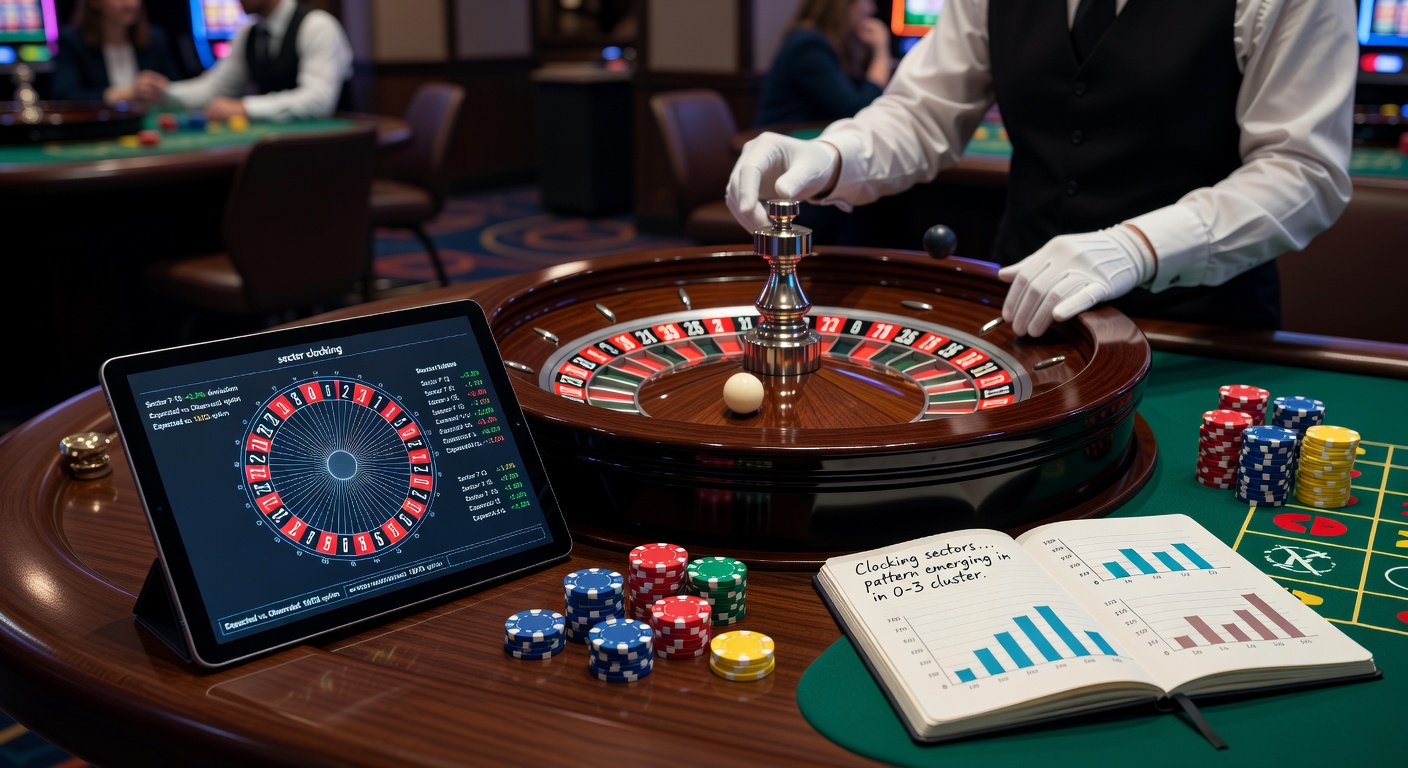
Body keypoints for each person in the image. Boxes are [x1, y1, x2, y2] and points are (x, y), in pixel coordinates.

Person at [727, 0, 1356, 337]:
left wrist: (1138, 246)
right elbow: (921, 115)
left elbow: (1302, 170)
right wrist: (831, 156)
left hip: (1196, 330)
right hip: (1026, 318)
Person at [140, 0, 353, 122]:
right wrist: (165, 92)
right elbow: (214, 89)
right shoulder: (248, 34)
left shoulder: (318, 26)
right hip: (283, 152)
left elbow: (318, 102)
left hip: (332, 154)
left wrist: (244, 108)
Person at [753, 0, 893, 128]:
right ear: (843, 6)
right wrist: (880, 53)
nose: (872, 9)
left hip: (806, 141)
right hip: (784, 145)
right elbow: (857, 113)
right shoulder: (807, 45)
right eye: (866, 1)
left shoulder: (834, 46)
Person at [49, 0, 180, 105]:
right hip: (99, 129)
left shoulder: (155, 39)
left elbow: (175, 86)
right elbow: (64, 96)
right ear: (94, 2)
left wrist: (162, 86)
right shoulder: (72, 42)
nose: (131, 4)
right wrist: (125, 93)